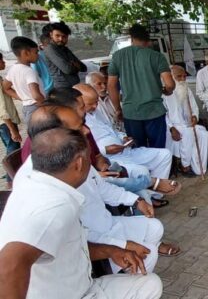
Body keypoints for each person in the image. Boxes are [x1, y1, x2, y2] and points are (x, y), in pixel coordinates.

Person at [0, 127, 163, 299]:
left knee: (150, 284)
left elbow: (71, 239)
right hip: (69, 294)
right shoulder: (53, 206)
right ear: (79, 163)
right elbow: (8, 266)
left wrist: (111, 250)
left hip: (81, 285)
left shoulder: (42, 182)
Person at [16, 111, 179, 274]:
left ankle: (129, 273)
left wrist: (135, 201)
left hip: (105, 224)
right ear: (55, 134)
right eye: (78, 126)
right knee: (148, 260)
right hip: (93, 242)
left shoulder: (70, 155)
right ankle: (117, 278)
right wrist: (119, 246)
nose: (86, 130)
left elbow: (102, 187)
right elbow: (79, 236)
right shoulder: (45, 182)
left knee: (155, 228)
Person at [72, 85, 180, 206]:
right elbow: (87, 151)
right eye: (90, 104)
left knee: (164, 155)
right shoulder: (76, 122)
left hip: (124, 150)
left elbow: (112, 129)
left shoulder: (97, 111)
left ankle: (154, 193)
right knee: (141, 171)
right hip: (111, 159)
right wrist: (105, 150)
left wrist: (123, 137)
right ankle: (146, 201)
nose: (95, 106)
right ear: (78, 104)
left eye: (96, 102)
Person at [108, 24, 175, 149]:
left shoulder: (118, 56)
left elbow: (111, 86)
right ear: (148, 40)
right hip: (154, 111)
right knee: (158, 150)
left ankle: (143, 169)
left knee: (138, 150)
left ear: (131, 38)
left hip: (131, 113)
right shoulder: (157, 56)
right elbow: (170, 84)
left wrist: (118, 109)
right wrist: (167, 91)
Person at [164, 65, 208, 177]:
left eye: (184, 76)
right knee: (188, 133)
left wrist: (195, 116)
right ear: (171, 77)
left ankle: (200, 167)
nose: (182, 79)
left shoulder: (186, 89)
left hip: (187, 124)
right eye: (179, 76)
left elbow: (194, 108)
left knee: (204, 134)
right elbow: (163, 114)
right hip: (173, 126)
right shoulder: (165, 92)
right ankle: (185, 166)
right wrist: (171, 128)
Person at [3, 36, 44, 121]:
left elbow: (5, 87)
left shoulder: (12, 70)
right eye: (36, 52)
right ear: (26, 53)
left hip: (27, 109)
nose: (38, 55)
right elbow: (36, 95)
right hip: (37, 108)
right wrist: (45, 106)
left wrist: (23, 98)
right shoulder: (29, 71)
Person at [42, 21, 86, 89]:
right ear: (51, 35)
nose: (61, 39)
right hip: (63, 89)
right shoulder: (50, 49)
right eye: (57, 36)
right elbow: (67, 69)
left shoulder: (65, 49)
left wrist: (74, 65)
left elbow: (84, 68)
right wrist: (75, 65)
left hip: (74, 86)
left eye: (64, 36)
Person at [0, 53, 21, 159]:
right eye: (2, 61)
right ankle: (11, 175)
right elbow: (2, 109)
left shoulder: (0, 79)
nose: (4, 62)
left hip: (4, 123)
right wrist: (13, 130)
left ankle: (10, 172)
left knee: (10, 147)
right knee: (14, 151)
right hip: (6, 123)